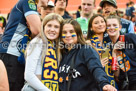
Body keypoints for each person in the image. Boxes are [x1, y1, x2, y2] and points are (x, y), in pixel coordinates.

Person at [0, 0, 48, 91]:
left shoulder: (33, 7)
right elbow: (37, 30)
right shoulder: (28, 1)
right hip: (11, 53)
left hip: (16, 55)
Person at [58, 19, 117, 91]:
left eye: (71, 32)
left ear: (78, 33)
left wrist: (104, 83)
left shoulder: (86, 50)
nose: (68, 35)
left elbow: (96, 68)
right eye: (64, 32)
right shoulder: (62, 54)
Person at [22, 13, 63, 91]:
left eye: (56, 27)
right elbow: (28, 75)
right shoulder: (37, 42)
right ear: (43, 27)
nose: (52, 29)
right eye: (49, 25)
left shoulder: (57, 46)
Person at [87, 14, 118, 89]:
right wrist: (98, 65)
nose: (100, 24)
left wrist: (114, 54)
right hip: (96, 84)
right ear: (91, 28)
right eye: (96, 23)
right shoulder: (88, 43)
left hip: (112, 84)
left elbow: (116, 74)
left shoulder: (108, 44)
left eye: (102, 21)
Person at [106, 15, 136, 90]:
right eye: (109, 25)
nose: (112, 27)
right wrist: (114, 52)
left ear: (120, 27)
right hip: (125, 86)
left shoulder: (130, 38)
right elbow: (116, 76)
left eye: (114, 25)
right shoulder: (107, 48)